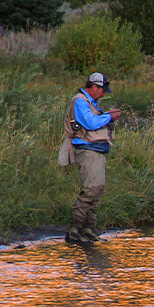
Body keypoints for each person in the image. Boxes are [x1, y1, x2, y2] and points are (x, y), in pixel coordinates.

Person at [59, 72, 121, 243]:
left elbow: (95, 121)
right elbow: (90, 123)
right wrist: (109, 116)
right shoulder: (79, 101)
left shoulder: (91, 103)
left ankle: (89, 230)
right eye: (102, 90)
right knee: (90, 190)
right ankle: (74, 231)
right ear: (94, 87)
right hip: (87, 151)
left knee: (97, 190)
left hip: (97, 150)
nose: (103, 94)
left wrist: (109, 117)